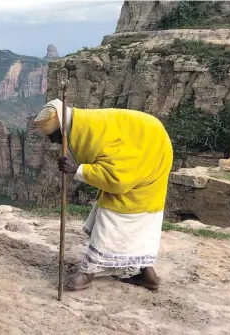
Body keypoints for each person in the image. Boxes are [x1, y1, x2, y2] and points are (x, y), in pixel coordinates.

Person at [33, 98, 173, 291]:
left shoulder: (95, 132)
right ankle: (148, 275)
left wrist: (78, 170)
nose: (51, 141)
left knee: (109, 220)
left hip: (146, 165)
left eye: (53, 135)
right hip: (150, 160)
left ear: (63, 129)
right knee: (143, 229)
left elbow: (118, 179)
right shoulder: (89, 126)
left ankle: (87, 273)